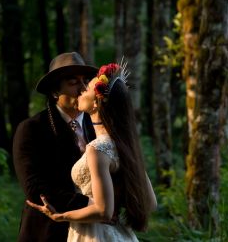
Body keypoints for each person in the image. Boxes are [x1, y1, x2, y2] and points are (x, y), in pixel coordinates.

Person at [26, 62, 157, 241]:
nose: (80, 90)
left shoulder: (96, 149)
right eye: (75, 84)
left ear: (96, 103)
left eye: (86, 86)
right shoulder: (123, 145)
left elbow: (103, 211)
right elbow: (150, 203)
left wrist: (61, 216)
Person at [13, 52, 98, 242]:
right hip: (48, 229)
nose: (83, 88)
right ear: (54, 92)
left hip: (97, 228)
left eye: (85, 80)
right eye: (73, 82)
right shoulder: (31, 128)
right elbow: (34, 187)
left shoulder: (100, 125)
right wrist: (93, 205)